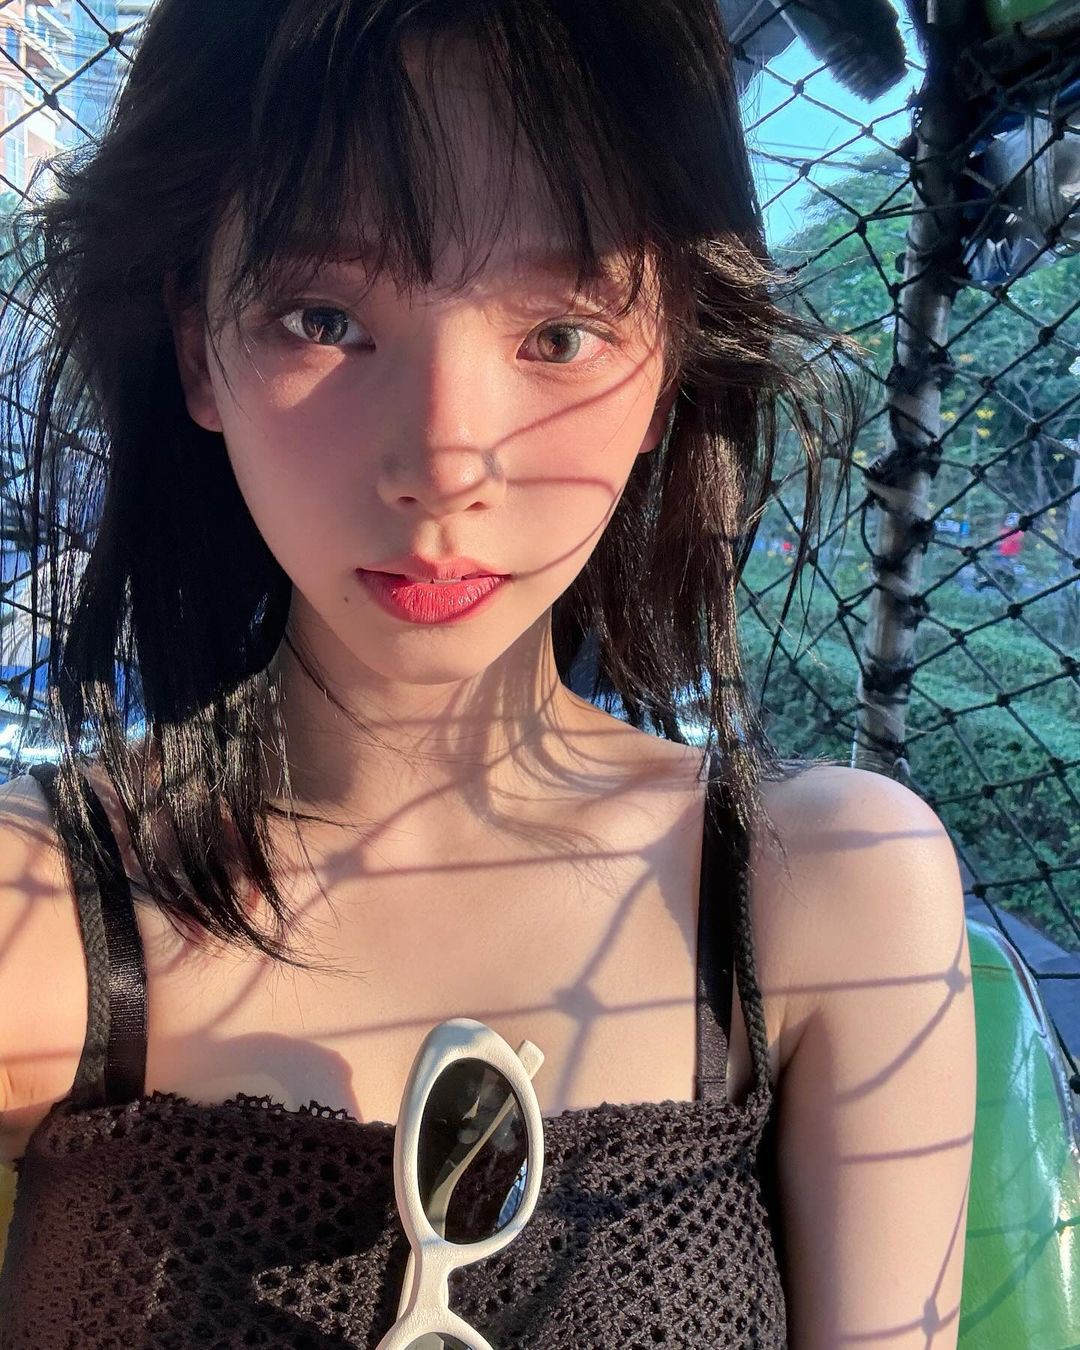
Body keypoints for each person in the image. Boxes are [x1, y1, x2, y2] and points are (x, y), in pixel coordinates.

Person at [0, 1, 976, 1344]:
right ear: (194, 343)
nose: (445, 463)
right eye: (323, 317)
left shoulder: (828, 889)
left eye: (559, 334)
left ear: (674, 357)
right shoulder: (40, 905)